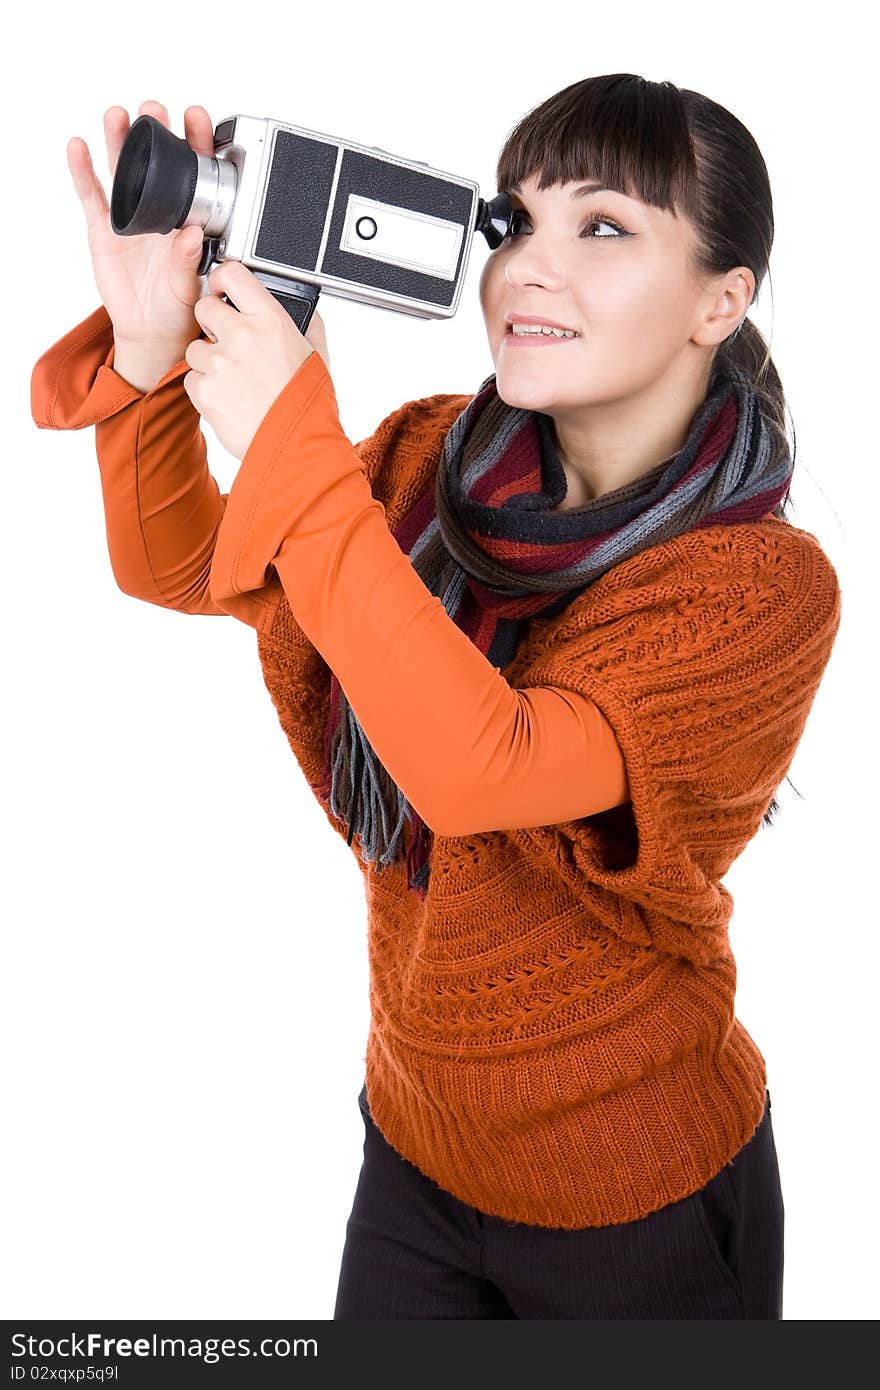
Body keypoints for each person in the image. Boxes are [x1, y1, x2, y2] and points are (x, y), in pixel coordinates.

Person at [31, 76, 841, 1320]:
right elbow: (187, 564)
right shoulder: (426, 461)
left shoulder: (757, 587)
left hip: (640, 1198)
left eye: (605, 228)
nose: (529, 268)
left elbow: (484, 767)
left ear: (720, 299)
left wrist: (296, 442)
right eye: (516, 223)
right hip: (415, 1147)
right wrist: (150, 366)